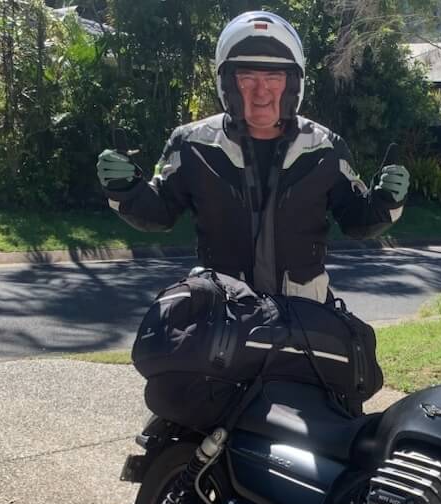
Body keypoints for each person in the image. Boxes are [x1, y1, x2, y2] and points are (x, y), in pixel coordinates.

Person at [96, 10, 410, 302]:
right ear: (227, 83)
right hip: (222, 320)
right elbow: (159, 214)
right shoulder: (192, 144)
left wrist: (386, 201)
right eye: (248, 79)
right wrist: (126, 189)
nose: (261, 92)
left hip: (304, 318)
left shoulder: (324, 146)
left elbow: (357, 221)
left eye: (274, 79)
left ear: (293, 83)